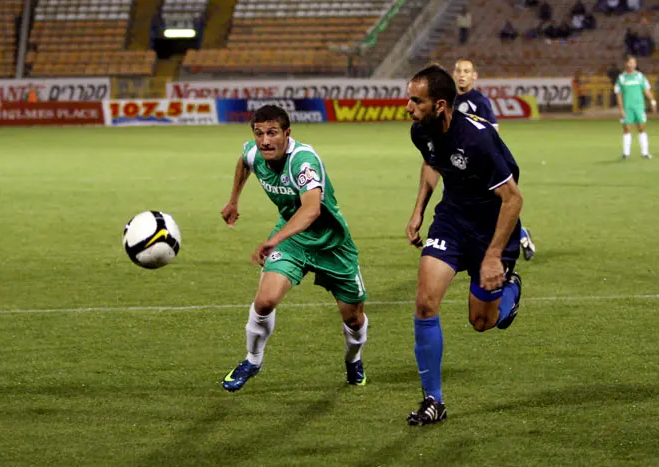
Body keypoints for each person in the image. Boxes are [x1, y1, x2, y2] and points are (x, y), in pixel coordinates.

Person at [404, 65, 523, 425]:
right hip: (452, 221)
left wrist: (491, 256)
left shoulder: (477, 139)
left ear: (440, 105)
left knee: (481, 322)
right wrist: (418, 212)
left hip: (492, 226)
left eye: (416, 100)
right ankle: (433, 401)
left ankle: (509, 292)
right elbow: (431, 163)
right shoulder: (419, 131)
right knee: (425, 304)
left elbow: (513, 199)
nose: (408, 106)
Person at [220, 105, 369, 392]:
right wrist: (234, 200)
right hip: (293, 241)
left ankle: (354, 359)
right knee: (264, 302)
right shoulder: (255, 153)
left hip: (332, 245)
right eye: (259, 133)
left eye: (272, 133)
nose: (264, 141)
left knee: (353, 317)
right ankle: (252, 360)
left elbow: (311, 209)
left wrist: (274, 239)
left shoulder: (303, 162)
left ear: (287, 134)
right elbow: (244, 161)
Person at [453, 59, 536, 260]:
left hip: (481, 164)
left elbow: (493, 130)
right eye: (458, 71)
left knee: (494, 205)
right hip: (460, 165)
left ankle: (520, 233)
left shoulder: (479, 101)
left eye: (466, 71)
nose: (462, 74)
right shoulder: (452, 101)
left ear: (475, 76)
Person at [615, 55, 658, 159]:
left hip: (639, 107)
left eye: (634, 63)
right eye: (630, 62)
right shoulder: (621, 78)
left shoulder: (640, 77)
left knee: (641, 128)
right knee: (626, 129)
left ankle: (645, 152)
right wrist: (621, 109)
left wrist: (653, 102)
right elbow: (619, 94)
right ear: (626, 63)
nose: (633, 65)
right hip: (627, 107)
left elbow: (646, 91)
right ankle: (626, 153)